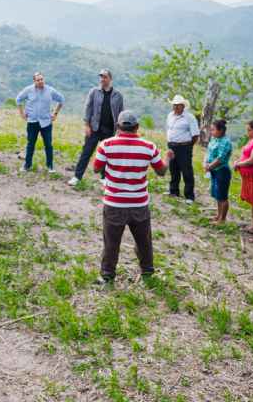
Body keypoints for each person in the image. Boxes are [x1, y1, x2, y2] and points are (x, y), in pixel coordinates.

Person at [92, 111, 166, 285]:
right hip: (139, 203)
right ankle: (147, 272)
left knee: (111, 242)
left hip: (114, 203)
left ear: (118, 127)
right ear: (137, 127)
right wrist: (168, 158)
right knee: (143, 241)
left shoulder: (106, 145)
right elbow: (161, 171)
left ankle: (107, 275)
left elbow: (96, 169)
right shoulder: (149, 147)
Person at [69, 69, 123, 186]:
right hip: (94, 128)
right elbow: (88, 108)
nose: (102, 79)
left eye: (105, 77)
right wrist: (87, 125)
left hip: (109, 130)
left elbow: (120, 113)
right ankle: (77, 177)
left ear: (110, 79)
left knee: (107, 155)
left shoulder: (118, 95)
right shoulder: (94, 92)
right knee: (86, 153)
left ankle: (104, 177)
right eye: (101, 77)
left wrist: (119, 130)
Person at [16, 72, 64, 173]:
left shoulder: (50, 90)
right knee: (30, 144)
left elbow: (61, 99)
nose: (40, 81)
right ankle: (27, 165)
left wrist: (55, 113)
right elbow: (18, 99)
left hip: (46, 122)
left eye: (42, 79)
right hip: (32, 122)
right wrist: (22, 113)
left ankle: (50, 166)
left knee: (48, 145)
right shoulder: (28, 90)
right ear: (34, 81)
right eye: (38, 80)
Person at [165, 95, 201, 201]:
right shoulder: (170, 115)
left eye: (178, 105)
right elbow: (169, 129)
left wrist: (188, 146)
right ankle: (174, 191)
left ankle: (189, 195)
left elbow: (195, 135)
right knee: (173, 169)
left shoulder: (189, 117)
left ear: (183, 106)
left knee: (186, 171)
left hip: (184, 146)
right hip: (172, 145)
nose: (175, 107)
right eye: (174, 105)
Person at [204, 119, 234, 223]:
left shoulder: (226, 142)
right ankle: (218, 215)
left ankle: (222, 219)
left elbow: (220, 158)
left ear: (221, 130)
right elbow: (209, 152)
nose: (211, 132)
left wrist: (209, 166)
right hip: (213, 170)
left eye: (213, 130)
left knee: (222, 196)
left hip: (222, 171)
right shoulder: (214, 139)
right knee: (217, 194)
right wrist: (206, 164)